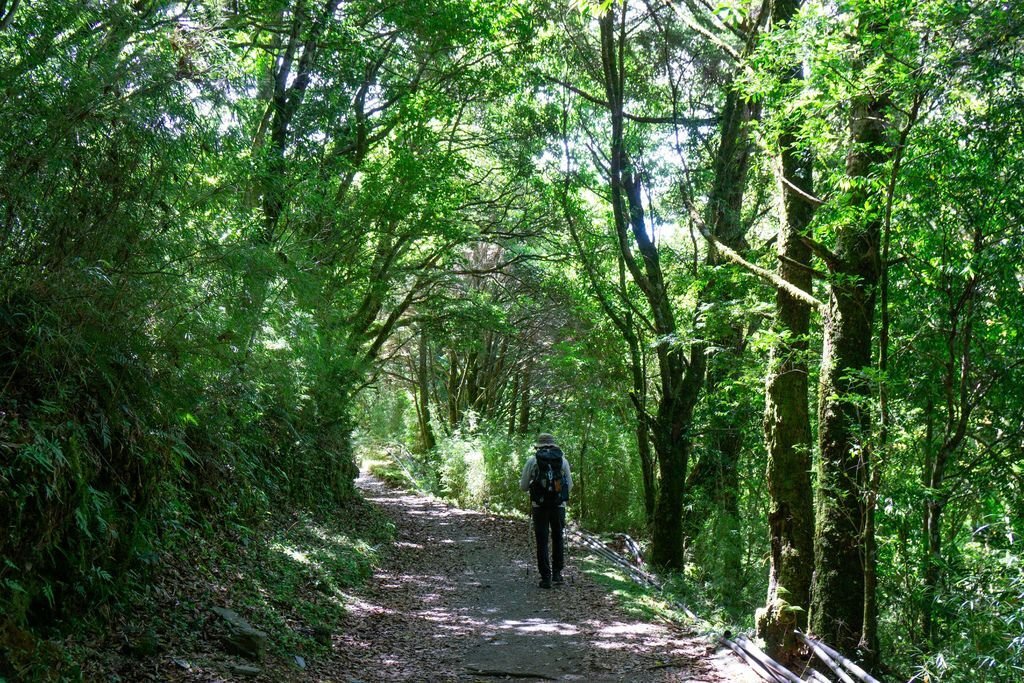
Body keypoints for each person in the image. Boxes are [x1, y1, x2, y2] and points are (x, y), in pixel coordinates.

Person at [520, 433, 572, 589]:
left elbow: (523, 486)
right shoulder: (562, 461)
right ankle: (557, 574)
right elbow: (569, 485)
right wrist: (559, 496)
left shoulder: (532, 461)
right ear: (553, 445)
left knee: (542, 541)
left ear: (539, 446)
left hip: (539, 507)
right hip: (558, 507)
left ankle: (546, 578)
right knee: (558, 538)